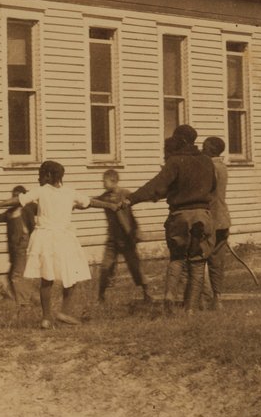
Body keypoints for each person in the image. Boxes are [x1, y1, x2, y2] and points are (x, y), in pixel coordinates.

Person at [0, 160, 113, 329]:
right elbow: (91, 202)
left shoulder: (41, 191)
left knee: (47, 278)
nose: (38, 179)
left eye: (40, 175)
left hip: (46, 238)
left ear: (48, 176)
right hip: (63, 238)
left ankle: (46, 318)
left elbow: (16, 201)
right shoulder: (69, 192)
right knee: (72, 275)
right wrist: (112, 205)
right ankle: (63, 311)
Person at [121, 125, 217, 314]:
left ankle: (169, 300)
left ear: (180, 140)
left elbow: (156, 186)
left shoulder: (174, 161)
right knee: (198, 263)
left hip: (180, 216)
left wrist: (131, 199)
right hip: (203, 216)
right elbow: (212, 188)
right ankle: (190, 311)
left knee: (177, 258)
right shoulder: (207, 161)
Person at [96, 169, 152, 303]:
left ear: (114, 181)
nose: (103, 184)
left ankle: (147, 293)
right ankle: (101, 297)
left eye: (105, 181)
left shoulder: (125, 194)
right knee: (105, 267)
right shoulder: (104, 197)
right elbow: (91, 202)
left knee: (135, 267)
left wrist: (137, 232)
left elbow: (137, 199)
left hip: (127, 239)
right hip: (112, 240)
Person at [203, 135, 231, 310]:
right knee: (217, 261)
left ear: (210, 149)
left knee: (199, 259)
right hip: (223, 218)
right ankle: (217, 299)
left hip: (210, 218)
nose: (202, 150)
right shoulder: (223, 166)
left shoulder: (209, 168)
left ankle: (204, 299)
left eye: (204, 147)